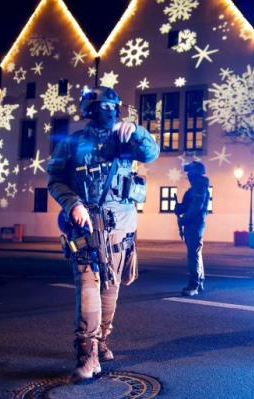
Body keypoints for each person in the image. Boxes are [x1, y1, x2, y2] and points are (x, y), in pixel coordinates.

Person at [47, 86, 159, 383]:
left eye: (111, 107)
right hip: (86, 224)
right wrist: (73, 203)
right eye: (101, 107)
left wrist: (136, 130)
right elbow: (55, 179)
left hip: (120, 225)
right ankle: (88, 354)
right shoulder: (72, 143)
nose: (107, 113)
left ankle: (102, 341)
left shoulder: (125, 137)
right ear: (88, 110)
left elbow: (151, 152)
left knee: (111, 287)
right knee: (88, 285)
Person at [175, 161, 210, 296]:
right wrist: (180, 208)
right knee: (196, 253)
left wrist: (184, 219)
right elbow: (189, 205)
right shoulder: (195, 188)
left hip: (194, 224)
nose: (188, 176)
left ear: (195, 174)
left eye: (190, 173)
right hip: (193, 223)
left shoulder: (199, 187)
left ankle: (193, 285)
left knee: (193, 254)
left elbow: (197, 207)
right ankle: (199, 282)